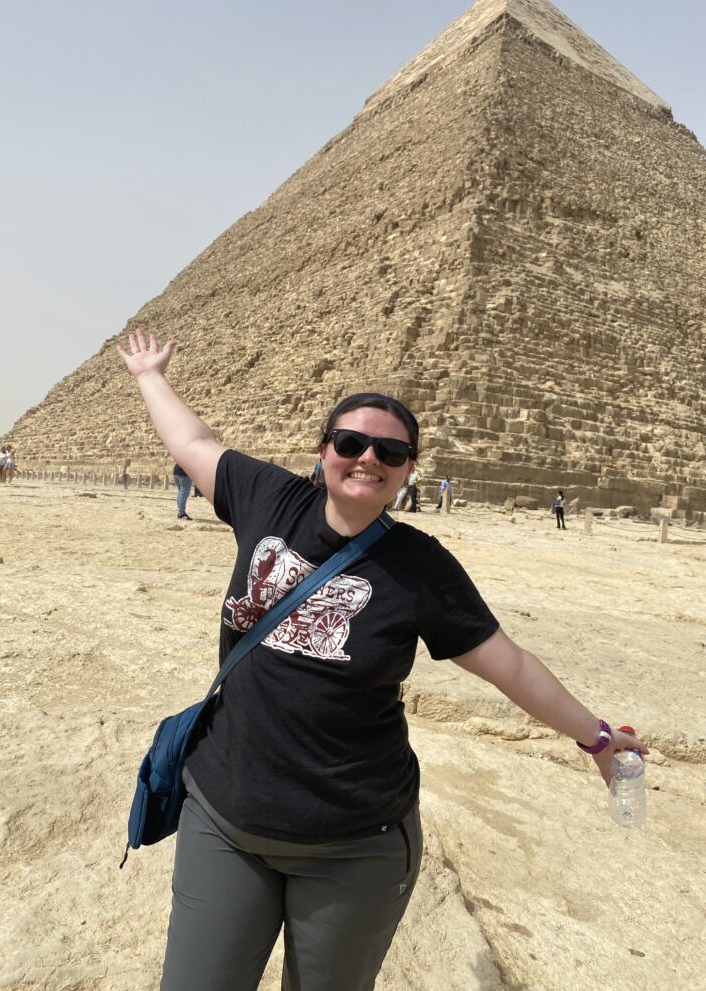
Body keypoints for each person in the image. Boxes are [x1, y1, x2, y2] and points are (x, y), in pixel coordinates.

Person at [117, 328, 648, 991]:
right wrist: (149, 376)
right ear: (323, 453)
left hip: (353, 841)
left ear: (408, 470)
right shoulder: (268, 497)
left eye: (390, 452)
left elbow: (509, 664)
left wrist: (597, 738)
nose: (367, 458)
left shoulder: (421, 567)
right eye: (350, 443)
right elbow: (193, 443)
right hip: (225, 816)